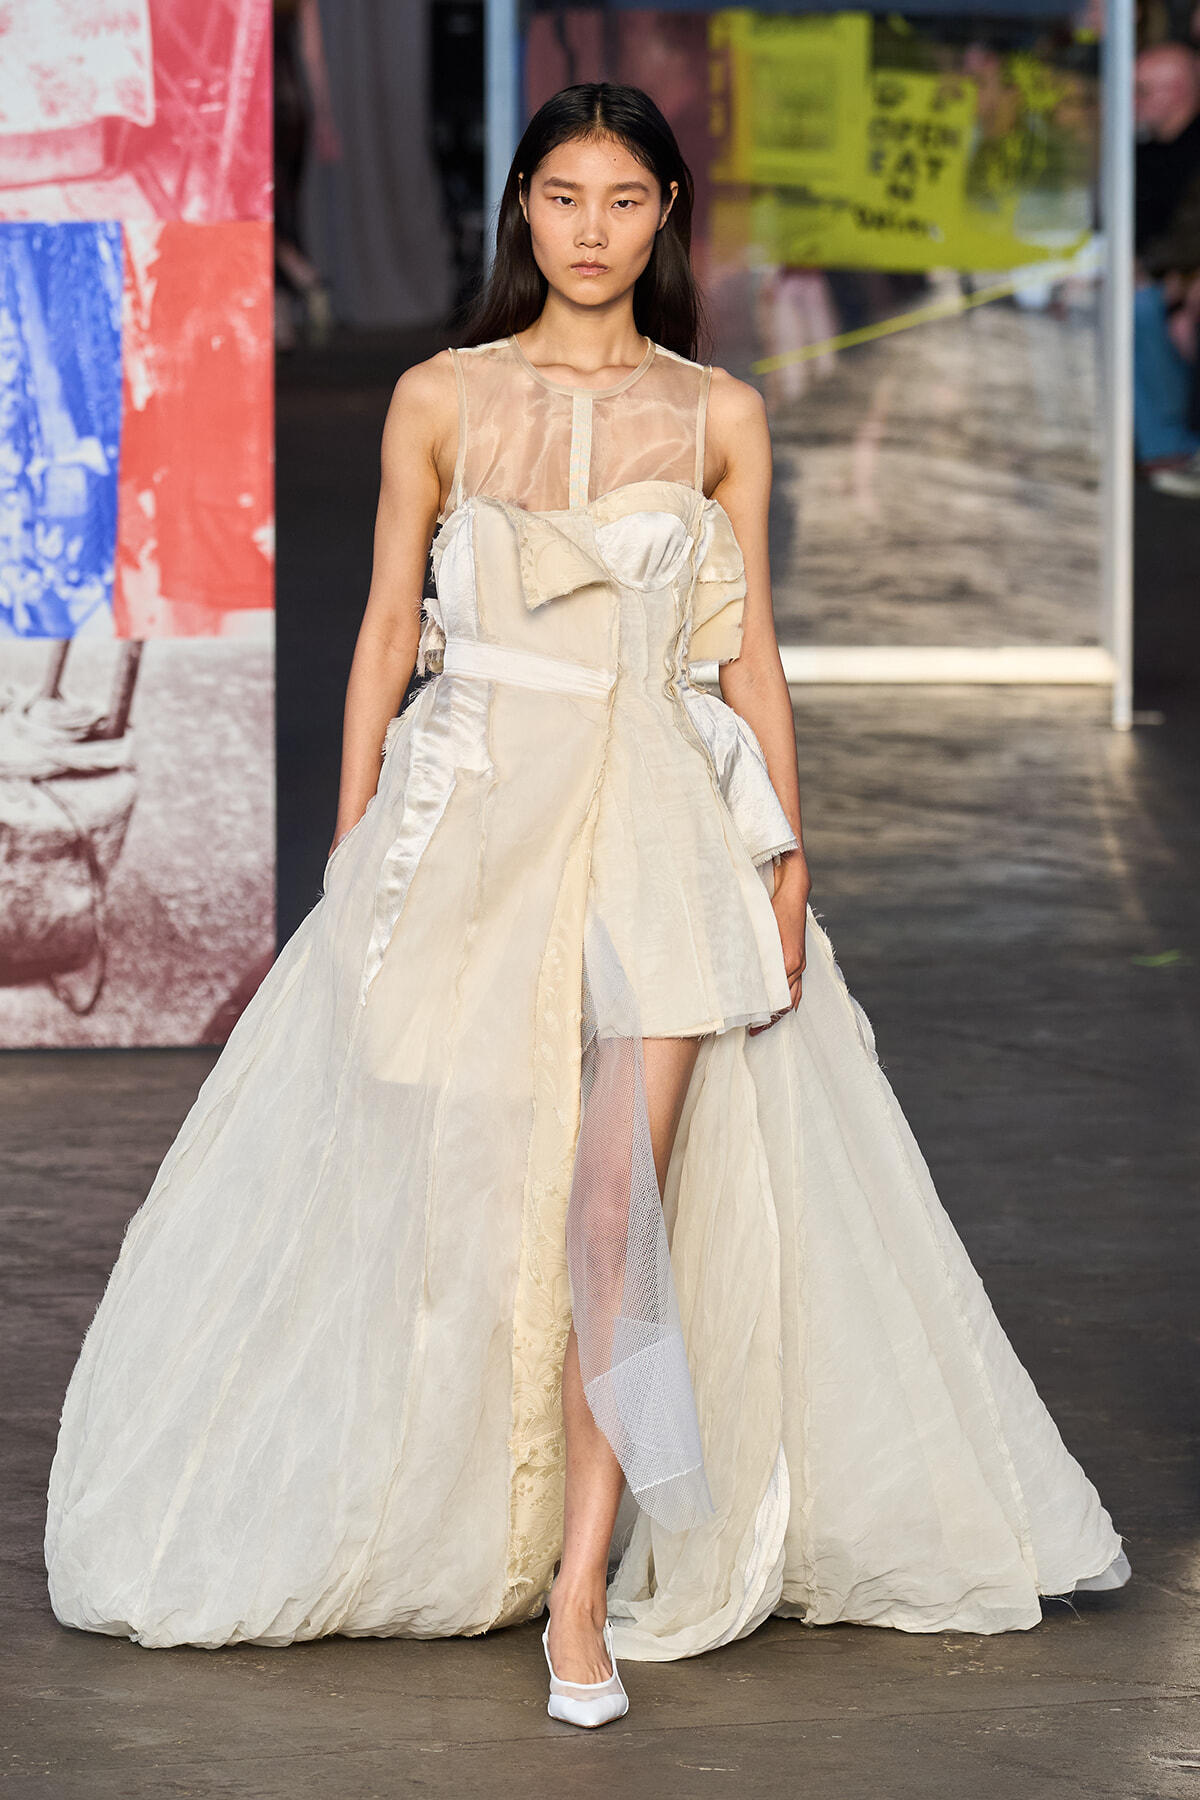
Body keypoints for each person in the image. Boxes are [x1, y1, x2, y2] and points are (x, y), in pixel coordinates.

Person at [44, 84, 1128, 1728]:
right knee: (469, 1187)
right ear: (523, 210)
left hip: (661, 833)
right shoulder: (436, 398)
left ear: (667, 211)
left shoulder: (719, 415)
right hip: (470, 819)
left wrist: (791, 862)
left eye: (624, 199)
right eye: (563, 197)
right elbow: (383, 636)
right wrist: (349, 856)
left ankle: (580, 1589)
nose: (592, 230)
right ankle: (464, 1514)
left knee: (616, 1211)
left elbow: (751, 658)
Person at [1135, 42, 1200, 487]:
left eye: (1142, 90)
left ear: (1176, 90)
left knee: (1141, 309)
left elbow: (1189, 232)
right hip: (1161, 275)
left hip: (1175, 279)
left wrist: (1161, 272)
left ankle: (1170, 450)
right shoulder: (1140, 149)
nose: (1133, 101)